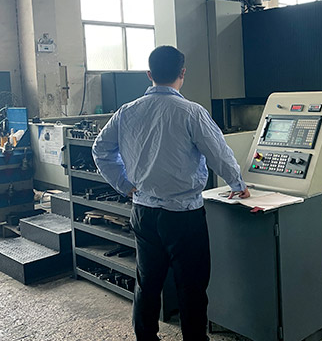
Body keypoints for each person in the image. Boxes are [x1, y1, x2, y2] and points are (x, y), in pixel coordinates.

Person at [92, 45, 250, 341]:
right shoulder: (191, 112)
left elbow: (100, 150)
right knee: (191, 287)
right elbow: (219, 154)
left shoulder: (127, 112)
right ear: (183, 73)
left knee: (147, 284)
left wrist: (125, 185)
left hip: (143, 213)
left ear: (149, 74)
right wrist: (238, 185)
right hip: (184, 216)